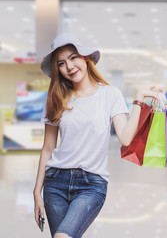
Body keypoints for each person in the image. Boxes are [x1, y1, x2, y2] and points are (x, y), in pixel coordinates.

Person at [33, 32, 159, 238]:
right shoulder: (55, 98)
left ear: (86, 58)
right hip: (55, 182)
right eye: (61, 63)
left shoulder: (110, 94)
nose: (69, 67)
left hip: (91, 184)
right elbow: (48, 148)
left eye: (74, 58)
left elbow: (126, 138)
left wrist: (138, 100)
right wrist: (36, 191)